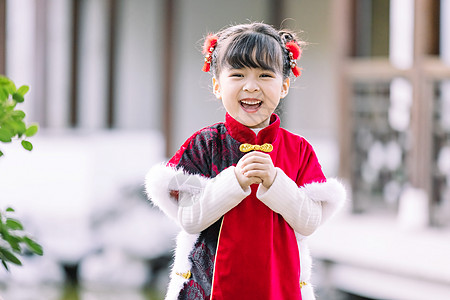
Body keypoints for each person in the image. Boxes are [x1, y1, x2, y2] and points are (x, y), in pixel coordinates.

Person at [146, 22, 346, 300]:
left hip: (279, 286)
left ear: (284, 85)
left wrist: (276, 182)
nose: (251, 86)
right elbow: (189, 219)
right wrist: (234, 181)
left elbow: (309, 222)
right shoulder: (203, 145)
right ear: (217, 85)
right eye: (238, 75)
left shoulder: (298, 149)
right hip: (211, 287)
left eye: (265, 75)